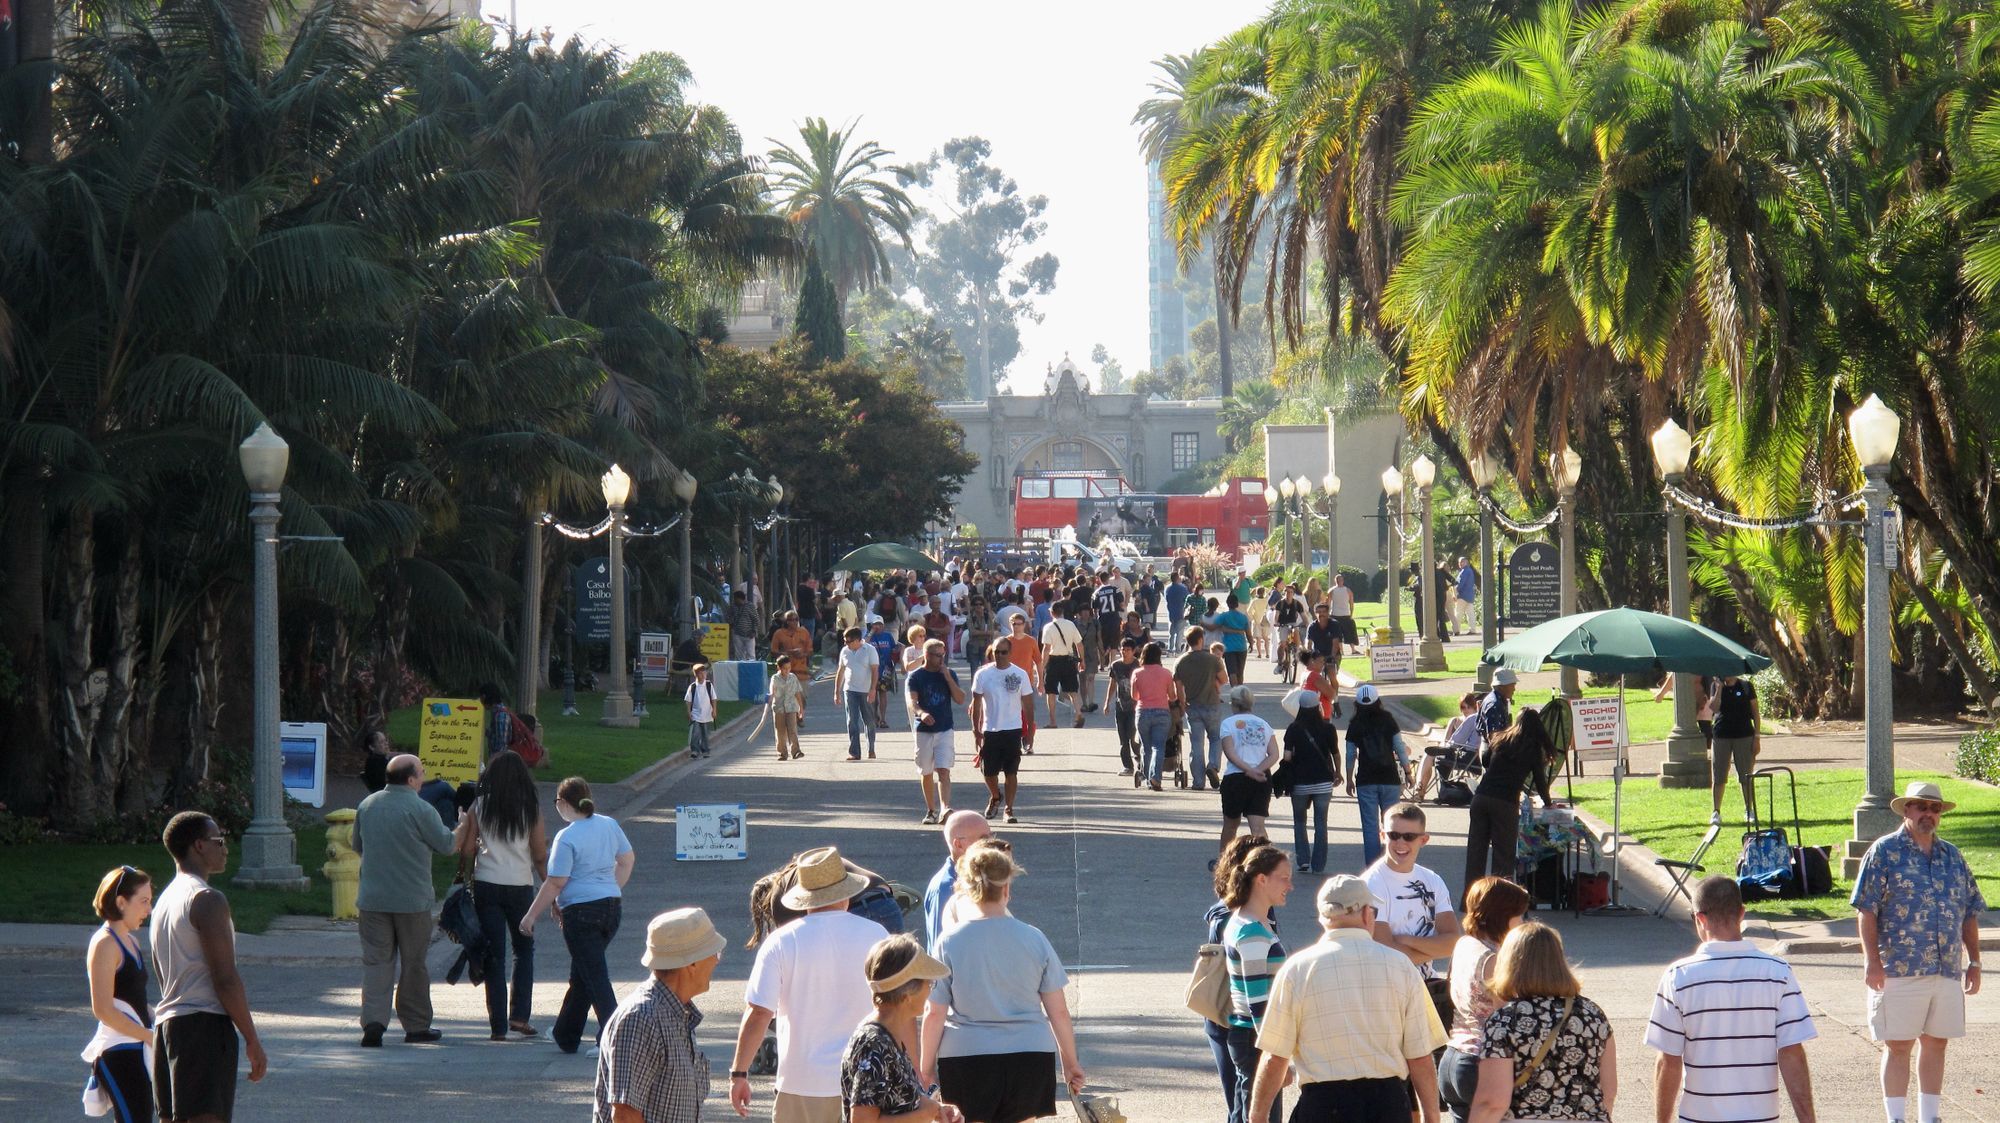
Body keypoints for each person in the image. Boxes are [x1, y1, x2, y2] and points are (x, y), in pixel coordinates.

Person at [1247, 875, 1445, 1123]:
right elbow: (1420, 1055)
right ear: (1365, 915)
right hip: (1387, 1104)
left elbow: (1275, 1056)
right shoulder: (1400, 966)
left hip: (1323, 1105)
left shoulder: (1296, 969)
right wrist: (1432, 1117)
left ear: (1322, 918)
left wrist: (1258, 1116)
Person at [920, 841, 1086, 1123]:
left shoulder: (948, 942)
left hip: (967, 1054)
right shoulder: (1034, 938)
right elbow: (1058, 1011)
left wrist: (925, 1070)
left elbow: (934, 1012)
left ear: (968, 890)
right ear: (1006, 889)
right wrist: (1070, 1064)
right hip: (1029, 1053)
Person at [1852, 781, 1986, 1123]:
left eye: (1935, 809)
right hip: (1898, 968)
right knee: (1898, 1046)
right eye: (1922, 807)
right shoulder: (1884, 852)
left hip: (1945, 969)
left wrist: (1975, 961)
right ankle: (1896, 1118)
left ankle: (1930, 1117)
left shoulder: (1952, 856)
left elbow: (1969, 911)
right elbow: (1866, 910)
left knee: (1937, 1042)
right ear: (1906, 810)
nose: (1929, 814)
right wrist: (1872, 962)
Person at [728, 847, 883, 1123]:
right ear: (846, 894)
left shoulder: (781, 941)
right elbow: (896, 1007)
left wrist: (739, 1073)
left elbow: (759, 1012)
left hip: (800, 1081)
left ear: (805, 897)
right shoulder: (877, 935)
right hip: (866, 1078)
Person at [1647, 876, 1818, 1123]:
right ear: (1741, 913)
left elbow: (1668, 1062)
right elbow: (1792, 1054)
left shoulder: (1678, 977)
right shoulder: (1778, 973)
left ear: (1700, 919)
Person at [152, 812, 268, 1121]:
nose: (226, 848)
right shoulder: (206, 899)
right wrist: (252, 1038)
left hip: (167, 1027)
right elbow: (225, 978)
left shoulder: (164, 900)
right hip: (202, 1028)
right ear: (200, 846)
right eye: (220, 840)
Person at [522, 777, 635, 1055]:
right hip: (610, 908)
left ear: (562, 803)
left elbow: (556, 881)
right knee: (584, 972)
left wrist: (531, 915)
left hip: (580, 913)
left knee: (594, 974)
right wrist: (611, 887)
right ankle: (566, 1033)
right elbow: (627, 860)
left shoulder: (567, 836)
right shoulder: (609, 825)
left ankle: (613, 1037)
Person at [352, 752, 457, 1046]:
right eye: (421, 773)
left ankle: (374, 1022)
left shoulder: (367, 805)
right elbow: (447, 845)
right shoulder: (421, 809)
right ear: (411, 779)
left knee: (376, 962)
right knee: (414, 963)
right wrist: (462, 827)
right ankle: (415, 1025)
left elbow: (357, 845)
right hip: (412, 901)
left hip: (373, 899)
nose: (424, 778)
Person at [1466, 922, 1615, 1123]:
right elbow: (1608, 1092)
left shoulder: (1506, 1021)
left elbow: (1493, 1102)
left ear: (1510, 963)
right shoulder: (1594, 1015)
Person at [595, 908, 727, 1123]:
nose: (717, 961)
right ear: (691, 963)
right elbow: (625, 1114)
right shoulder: (640, 1018)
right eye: (715, 953)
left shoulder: (677, 1014)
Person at [455, 749, 549, 1041]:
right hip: (520, 885)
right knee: (523, 950)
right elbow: (539, 854)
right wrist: (551, 888)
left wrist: (466, 875)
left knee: (494, 954)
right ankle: (519, 1016)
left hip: (487, 883)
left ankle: (497, 1026)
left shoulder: (479, 806)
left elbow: (468, 849)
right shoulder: (530, 807)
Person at [1365, 802, 1464, 1038]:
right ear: (1382, 836)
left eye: (1409, 836)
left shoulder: (1432, 880)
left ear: (1423, 839)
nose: (1400, 843)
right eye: (1393, 835)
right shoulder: (1373, 883)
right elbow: (1384, 951)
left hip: (1424, 992)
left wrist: (1406, 939)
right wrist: (1433, 949)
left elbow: (1453, 942)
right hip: (1385, 995)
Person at [842, 936, 965, 1123]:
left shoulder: (888, 1034)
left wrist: (937, 1109)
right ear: (908, 994)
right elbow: (862, 1121)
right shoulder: (874, 1043)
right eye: (928, 983)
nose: (930, 991)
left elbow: (897, 1096)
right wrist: (924, 1115)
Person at [1439, 877, 1531, 1123]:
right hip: (1482, 1064)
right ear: (1503, 916)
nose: (1522, 922)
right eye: (1519, 915)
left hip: (1453, 1057)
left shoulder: (1464, 944)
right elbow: (1509, 1018)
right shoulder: (1493, 960)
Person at [1222, 846, 1293, 1123]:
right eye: (1284, 878)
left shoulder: (1249, 920)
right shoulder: (1251, 929)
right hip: (1255, 1039)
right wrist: (1274, 1054)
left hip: (1251, 1038)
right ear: (1261, 879)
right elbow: (1257, 1002)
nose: (1290, 885)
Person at [1462, 709, 1557, 906]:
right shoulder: (1532, 748)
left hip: (1481, 797)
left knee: (1476, 853)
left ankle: (1469, 901)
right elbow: (1540, 782)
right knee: (1502, 856)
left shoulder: (1501, 739)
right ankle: (1498, 903)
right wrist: (1548, 803)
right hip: (1505, 803)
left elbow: (1486, 761)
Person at [84, 865, 154, 1123]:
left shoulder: (131, 941)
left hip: (136, 1049)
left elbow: (133, 997)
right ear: (121, 902)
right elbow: (102, 1009)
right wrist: (148, 1035)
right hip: (118, 1051)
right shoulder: (105, 943)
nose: (149, 909)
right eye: (144, 901)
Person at [1344, 685, 1414, 866]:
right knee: (1392, 824)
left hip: (1366, 779)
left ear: (1357, 704)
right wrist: (1408, 772)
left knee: (1370, 827)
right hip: (1389, 778)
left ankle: (1373, 867)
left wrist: (1349, 777)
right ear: (1378, 701)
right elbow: (1399, 747)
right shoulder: (1388, 719)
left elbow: (1350, 754)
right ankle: (1390, 863)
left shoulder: (1355, 724)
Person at [969, 634, 1034, 823]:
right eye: (996, 652)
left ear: (1010, 653)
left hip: (1013, 729)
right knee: (988, 772)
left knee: (1011, 771)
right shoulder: (983, 674)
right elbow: (976, 704)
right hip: (990, 729)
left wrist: (1029, 732)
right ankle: (996, 795)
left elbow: (1028, 705)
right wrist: (976, 730)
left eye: (1004, 652)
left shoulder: (1020, 674)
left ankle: (1009, 809)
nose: (1000, 656)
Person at [907, 639, 968, 825]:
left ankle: (944, 808)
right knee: (926, 772)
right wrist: (921, 713)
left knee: (943, 770)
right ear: (926, 655)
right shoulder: (916, 676)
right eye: (937, 655)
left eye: (943, 655)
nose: (941, 659)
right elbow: (912, 702)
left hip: (944, 729)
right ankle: (931, 810)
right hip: (924, 731)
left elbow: (960, 699)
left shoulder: (949, 674)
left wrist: (948, 678)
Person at [1279, 687, 1340, 874]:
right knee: (1321, 822)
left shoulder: (1293, 729)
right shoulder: (1328, 728)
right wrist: (1338, 772)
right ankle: (1319, 864)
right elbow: (1335, 753)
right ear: (1318, 706)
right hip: (1323, 782)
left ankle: (1303, 860)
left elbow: (1287, 756)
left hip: (1300, 782)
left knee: (1299, 820)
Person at [1218, 685, 1280, 853]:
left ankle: (1225, 860)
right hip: (1261, 777)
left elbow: (1230, 753)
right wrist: (1258, 769)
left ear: (1233, 704)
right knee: (1258, 827)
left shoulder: (1227, 724)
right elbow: (1274, 754)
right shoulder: (1264, 724)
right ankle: (1265, 862)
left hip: (1236, 777)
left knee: (1231, 824)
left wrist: (1248, 770)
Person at [922, 811, 993, 951]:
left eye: (991, 836)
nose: (991, 844)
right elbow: (941, 948)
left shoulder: (975, 877)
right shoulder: (946, 887)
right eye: (984, 839)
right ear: (959, 844)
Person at [1175, 626, 1227, 791]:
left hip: (1193, 706)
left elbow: (1178, 687)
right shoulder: (1212, 659)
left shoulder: (1180, 661)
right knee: (1215, 738)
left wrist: (1183, 704)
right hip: (1212, 703)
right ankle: (1213, 765)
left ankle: (1198, 781)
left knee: (1196, 744)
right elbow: (1224, 679)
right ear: (1200, 640)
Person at [1709, 672, 1760, 826]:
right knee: (1719, 775)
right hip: (1721, 735)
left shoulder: (1746, 686)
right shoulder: (1716, 686)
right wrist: (1719, 689)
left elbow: (1755, 713)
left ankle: (1749, 810)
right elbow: (1714, 708)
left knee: (1746, 775)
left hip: (1744, 735)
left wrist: (1757, 738)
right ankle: (1716, 812)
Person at [1133, 640, 1181, 792]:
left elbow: (1134, 696)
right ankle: (1156, 778)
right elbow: (1172, 696)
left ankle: (1148, 778)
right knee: (1158, 747)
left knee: (1145, 747)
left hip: (1143, 712)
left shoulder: (1137, 673)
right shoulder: (1166, 673)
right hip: (1162, 712)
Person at [1038, 601, 1087, 729]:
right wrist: (1082, 660)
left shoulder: (1048, 627)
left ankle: (1053, 721)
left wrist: (1042, 666)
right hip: (1069, 660)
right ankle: (1078, 712)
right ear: (1063, 612)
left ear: (1051, 613)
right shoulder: (1070, 624)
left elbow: (1046, 649)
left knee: (1051, 692)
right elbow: (1079, 644)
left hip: (1053, 661)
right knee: (1072, 691)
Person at [835, 626, 880, 762]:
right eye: (845, 641)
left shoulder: (870, 650)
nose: (846, 644)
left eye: (849, 641)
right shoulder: (845, 651)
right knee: (852, 721)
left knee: (869, 721)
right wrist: (837, 691)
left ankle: (871, 748)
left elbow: (874, 671)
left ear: (858, 640)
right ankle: (854, 752)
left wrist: (873, 689)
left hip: (866, 690)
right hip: (850, 690)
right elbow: (840, 671)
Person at [1104, 637, 1141, 776]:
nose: (1124, 652)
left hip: (1135, 707)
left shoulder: (1138, 665)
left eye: (1128, 650)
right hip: (1121, 706)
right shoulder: (1115, 665)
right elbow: (1112, 684)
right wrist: (1107, 702)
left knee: (1134, 738)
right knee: (1123, 738)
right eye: (1122, 649)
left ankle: (1140, 762)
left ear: (1134, 651)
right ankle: (1128, 766)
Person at [770, 654, 807, 762]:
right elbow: (772, 690)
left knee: (792, 730)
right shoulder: (775, 678)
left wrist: (801, 708)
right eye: (784, 668)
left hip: (791, 707)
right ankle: (782, 753)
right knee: (780, 732)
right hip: (779, 708)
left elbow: (797, 692)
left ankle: (796, 751)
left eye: (789, 668)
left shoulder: (793, 677)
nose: (787, 670)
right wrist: (770, 696)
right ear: (779, 668)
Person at [869, 617, 901, 731]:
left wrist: (898, 651)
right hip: (872, 670)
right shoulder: (869, 636)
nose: (877, 626)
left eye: (879, 624)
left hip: (885, 669)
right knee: (873, 695)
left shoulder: (888, 636)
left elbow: (893, 649)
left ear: (883, 625)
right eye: (875, 624)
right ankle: (874, 717)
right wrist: (871, 632)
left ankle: (883, 718)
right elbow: (863, 646)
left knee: (883, 693)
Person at [1213, 594, 1252, 685]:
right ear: (1237, 604)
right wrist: (1251, 643)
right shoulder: (1243, 617)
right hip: (1241, 646)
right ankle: (1240, 691)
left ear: (1227, 604)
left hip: (1229, 647)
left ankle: (1235, 691)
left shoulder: (1224, 616)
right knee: (1240, 672)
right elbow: (1248, 633)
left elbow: (1215, 625)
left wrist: (1225, 629)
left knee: (1232, 672)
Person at [685, 663, 719, 761]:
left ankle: (705, 750)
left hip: (706, 713)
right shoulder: (693, 687)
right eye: (701, 673)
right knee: (695, 732)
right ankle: (695, 750)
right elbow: (688, 701)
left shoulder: (708, 685)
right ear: (696, 675)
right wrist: (688, 712)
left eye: (705, 673)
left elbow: (713, 699)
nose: (704, 675)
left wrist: (714, 710)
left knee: (704, 732)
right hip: (696, 713)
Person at [1476, 670, 1516, 750]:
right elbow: (1493, 737)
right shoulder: (1494, 705)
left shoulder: (1500, 700)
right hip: (1494, 751)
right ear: (1502, 687)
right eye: (1512, 685)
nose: (1514, 689)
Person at [1326, 574, 1357, 653]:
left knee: (1337, 634)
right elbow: (1351, 604)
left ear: (1335, 581)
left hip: (1335, 614)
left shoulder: (1331, 591)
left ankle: (1341, 651)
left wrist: (1328, 614)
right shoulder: (1348, 590)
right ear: (1342, 581)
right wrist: (1351, 614)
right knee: (1349, 632)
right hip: (1346, 614)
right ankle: (1353, 649)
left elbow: (1328, 604)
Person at [360, 728, 394, 793]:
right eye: (381, 742)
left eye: (385, 741)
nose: (386, 743)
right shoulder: (375, 763)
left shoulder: (376, 759)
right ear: (372, 747)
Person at [731, 589, 761, 661]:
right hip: (737, 634)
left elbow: (756, 619)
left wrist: (754, 631)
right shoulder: (733, 607)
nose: (734, 600)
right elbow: (729, 616)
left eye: (735, 598)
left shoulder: (750, 606)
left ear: (739, 598)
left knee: (751, 655)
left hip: (749, 634)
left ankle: (751, 669)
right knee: (739, 655)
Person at [1165, 573, 1191, 651]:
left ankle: (1170, 647)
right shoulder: (1183, 588)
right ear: (1177, 578)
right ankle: (1178, 648)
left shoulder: (1168, 588)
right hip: (1181, 612)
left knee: (1171, 632)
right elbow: (1187, 599)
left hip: (1171, 612)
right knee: (1179, 632)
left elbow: (1166, 598)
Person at [1453, 557, 1478, 636]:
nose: (1460, 564)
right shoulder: (1470, 571)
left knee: (1458, 613)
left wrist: (1455, 592)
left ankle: (1456, 630)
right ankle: (1473, 629)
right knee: (1470, 613)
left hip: (1462, 596)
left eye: (1462, 562)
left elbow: (1460, 584)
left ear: (1466, 562)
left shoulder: (1464, 572)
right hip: (1470, 596)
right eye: (1459, 562)